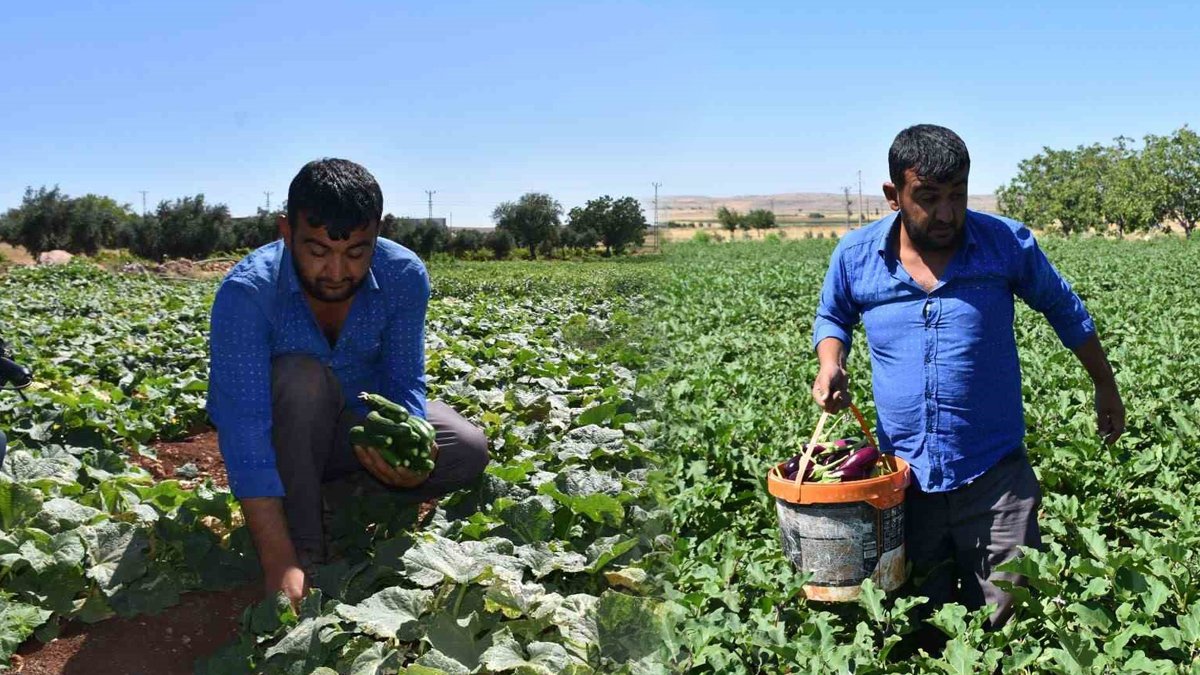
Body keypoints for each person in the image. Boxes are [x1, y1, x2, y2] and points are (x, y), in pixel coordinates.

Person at [810, 125, 1125, 645]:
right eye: (928, 198)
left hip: (996, 477)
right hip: (903, 483)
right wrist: (831, 362)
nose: (947, 214)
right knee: (921, 625)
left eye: (957, 195)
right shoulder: (856, 256)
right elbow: (833, 316)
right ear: (893, 196)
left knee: (1008, 626)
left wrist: (1105, 387)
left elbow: (1065, 310)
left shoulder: (1005, 244)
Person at [206, 158, 489, 606]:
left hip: (356, 429)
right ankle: (304, 545)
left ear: (378, 233)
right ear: (286, 232)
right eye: (317, 251)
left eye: (356, 252)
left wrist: (411, 439)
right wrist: (279, 561)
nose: (337, 271)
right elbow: (244, 429)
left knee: (465, 449)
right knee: (302, 379)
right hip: (285, 435)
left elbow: (404, 379)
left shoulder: (404, 275)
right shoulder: (247, 293)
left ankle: (339, 492)